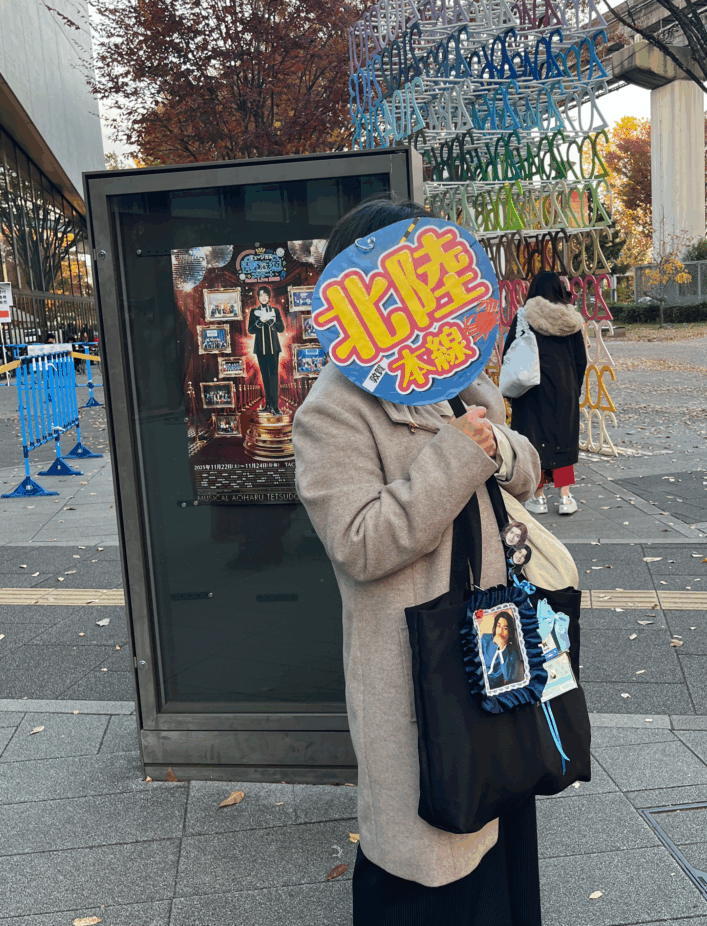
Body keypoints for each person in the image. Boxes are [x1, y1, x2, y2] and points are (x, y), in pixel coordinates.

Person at [293, 197, 543, 926]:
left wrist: (496, 445)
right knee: (431, 871)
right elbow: (361, 542)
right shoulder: (334, 409)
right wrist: (461, 453)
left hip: (495, 657)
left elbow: (523, 467)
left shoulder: (455, 378)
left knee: (501, 858)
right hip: (419, 678)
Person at [503, 271, 587, 515]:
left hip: (531, 390)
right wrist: (573, 387)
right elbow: (580, 360)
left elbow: (510, 351)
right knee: (563, 441)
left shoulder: (524, 316)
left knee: (532, 440)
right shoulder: (571, 320)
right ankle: (565, 497)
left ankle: (538, 497)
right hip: (564, 389)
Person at [247, 285, 285, 415]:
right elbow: (250, 330)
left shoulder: (275, 311)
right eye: (261, 295)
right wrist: (260, 321)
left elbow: (281, 329)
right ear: (258, 297)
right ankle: (267, 404)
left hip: (273, 348)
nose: (263, 297)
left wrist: (270, 321)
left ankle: (275, 406)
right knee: (265, 377)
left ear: (269, 297)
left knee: (274, 377)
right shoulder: (253, 312)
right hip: (260, 349)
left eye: (265, 295)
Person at [479, 610, 523, 689]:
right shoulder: (485, 638)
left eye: (505, 628)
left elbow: (508, 677)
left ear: (509, 632)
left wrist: (502, 648)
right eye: (498, 626)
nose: (500, 631)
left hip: (494, 686)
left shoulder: (512, 652)